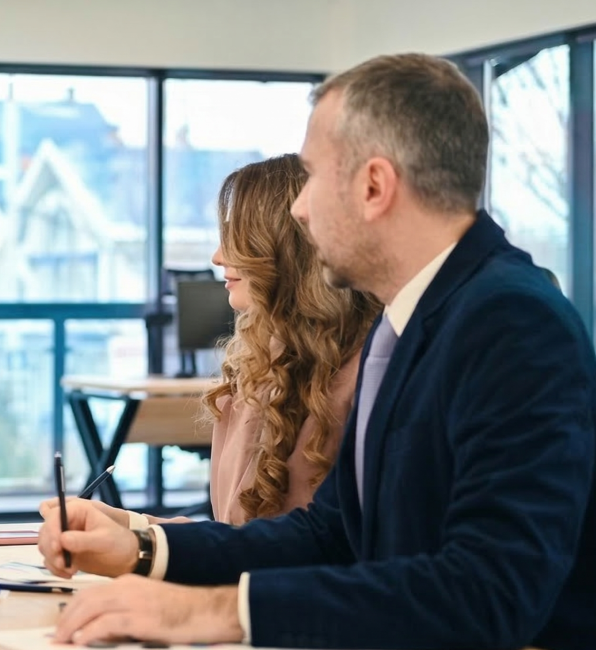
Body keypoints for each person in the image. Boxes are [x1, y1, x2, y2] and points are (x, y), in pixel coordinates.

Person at [38, 53, 595, 649]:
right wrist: (144, 549)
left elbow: (489, 592)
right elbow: (331, 535)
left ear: (374, 187)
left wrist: (216, 614)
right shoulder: (406, 321)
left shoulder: (511, 321)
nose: (300, 209)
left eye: (312, 177)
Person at [44, 154, 379, 529]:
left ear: (285, 247)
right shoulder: (252, 373)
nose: (218, 257)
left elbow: (281, 552)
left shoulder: (366, 374)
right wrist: (122, 524)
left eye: (237, 238)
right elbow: (231, 541)